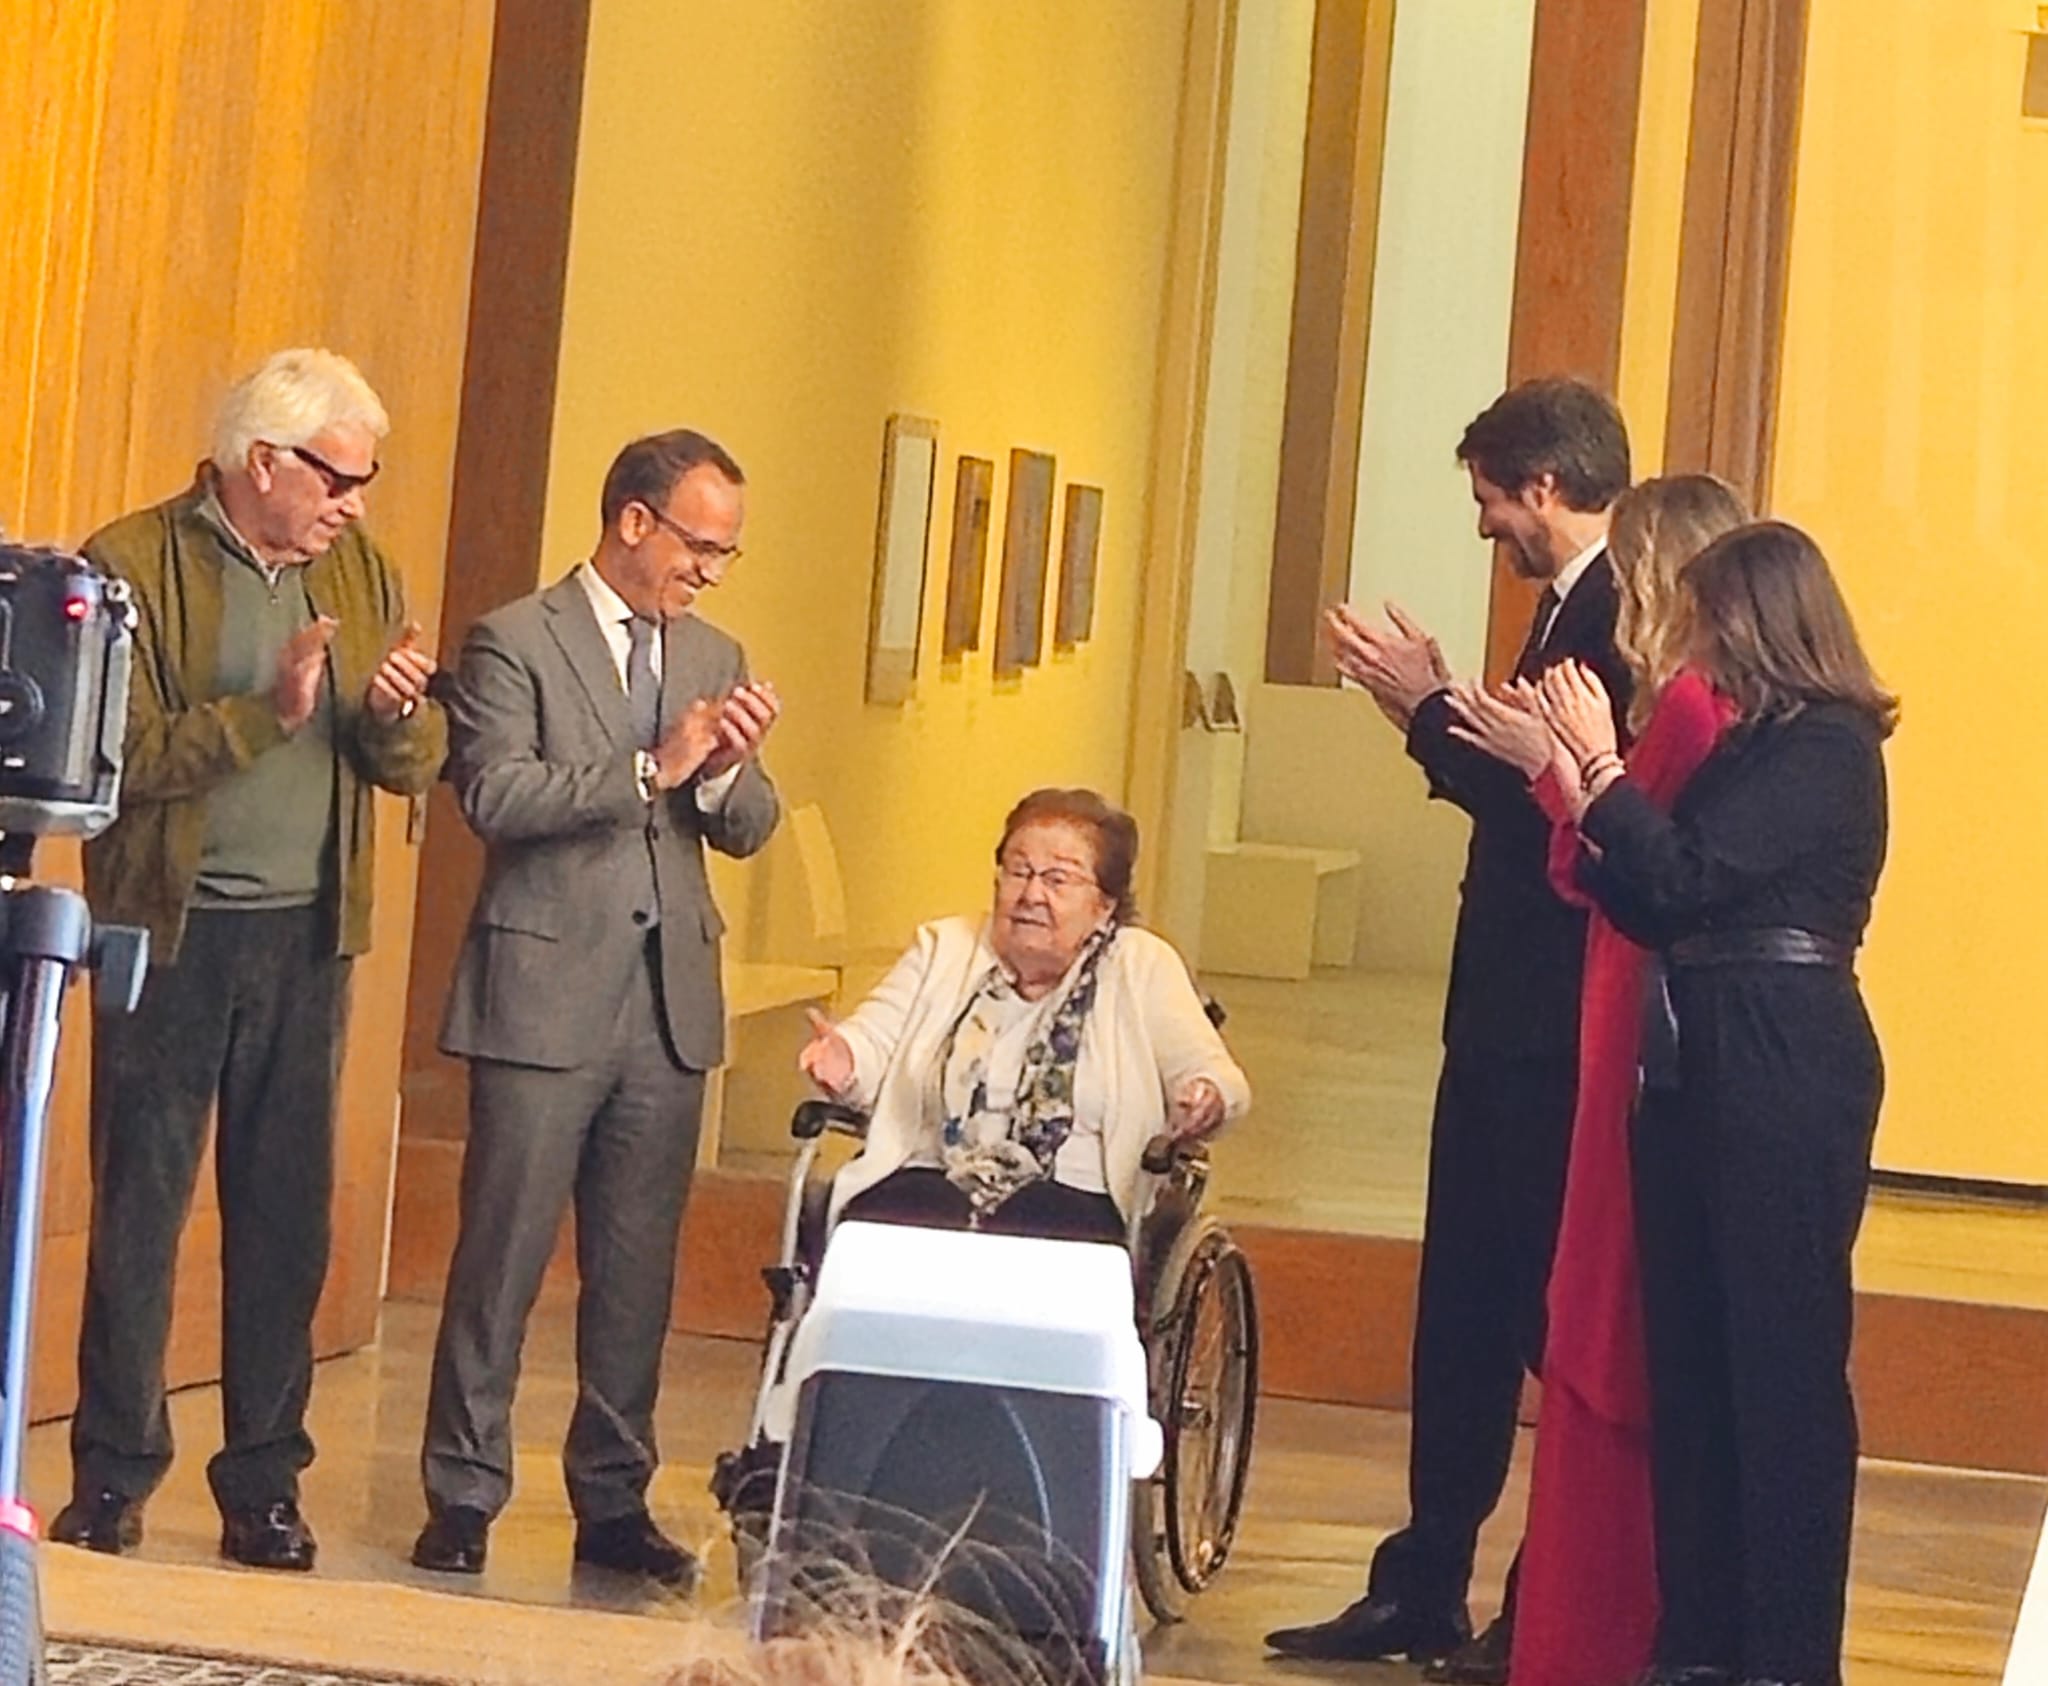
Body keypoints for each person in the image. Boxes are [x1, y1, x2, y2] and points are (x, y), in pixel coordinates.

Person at [52, 349, 448, 1570]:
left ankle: (263, 1491)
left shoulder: (360, 573)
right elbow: (114, 755)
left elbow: (417, 760)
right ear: (262, 462)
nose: (355, 503)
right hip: (169, 934)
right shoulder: (131, 565)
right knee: (141, 1213)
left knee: (283, 1224)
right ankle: (113, 1479)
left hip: (306, 939)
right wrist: (265, 716)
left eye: (365, 481)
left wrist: (392, 715)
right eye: (338, 476)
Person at [1266, 377, 1634, 1683]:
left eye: (1491, 500)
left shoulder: (1621, 608)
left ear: (1544, 485)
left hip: (1553, 1033)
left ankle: (1533, 1604)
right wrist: (1424, 710)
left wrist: (1423, 706)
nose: (1486, 526)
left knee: (1533, 1313)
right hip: (1503, 1021)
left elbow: (1568, 811)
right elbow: (1521, 784)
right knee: (1464, 1308)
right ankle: (1424, 1575)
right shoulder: (1563, 604)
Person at [412, 428, 781, 1586]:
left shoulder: (714, 648)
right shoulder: (515, 639)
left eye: (725, 553)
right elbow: (496, 792)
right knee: (501, 1259)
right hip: (540, 996)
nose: (710, 572)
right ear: (633, 522)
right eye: (698, 545)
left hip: (663, 1008)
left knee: (635, 1273)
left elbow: (748, 820)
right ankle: (462, 1494)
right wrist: (646, 770)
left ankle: (613, 1505)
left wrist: (721, 773)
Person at [1533, 521, 1894, 1686]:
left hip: (1782, 1060)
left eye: (1700, 622)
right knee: (1691, 1359)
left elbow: (1687, 875)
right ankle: (1696, 1642)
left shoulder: (1829, 748)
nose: (1684, 647)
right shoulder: (1750, 747)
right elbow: (1643, 895)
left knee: (1774, 1364)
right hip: (1698, 1059)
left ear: (1755, 623)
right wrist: (1586, 805)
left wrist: (1596, 777)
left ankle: (1783, 1654)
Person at [1440, 475, 1749, 1686]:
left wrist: (1566, 765)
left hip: (1626, 1011)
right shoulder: (1709, 700)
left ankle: (1584, 1627)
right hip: (1622, 996)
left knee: (1601, 1306)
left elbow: (1606, 872)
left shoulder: (1682, 700)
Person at [798, 788, 1248, 1243]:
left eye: (1058, 880)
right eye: (1018, 872)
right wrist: (847, 1060)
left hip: (1077, 1191)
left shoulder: (1140, 964)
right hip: (935, 1174)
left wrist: (1206, 1096)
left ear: (1104, 905)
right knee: (879, 1233)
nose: (1032, 894)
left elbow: (1214, 1075)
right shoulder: (946, 947)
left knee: (1033, 1230)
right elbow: (874, 1037)